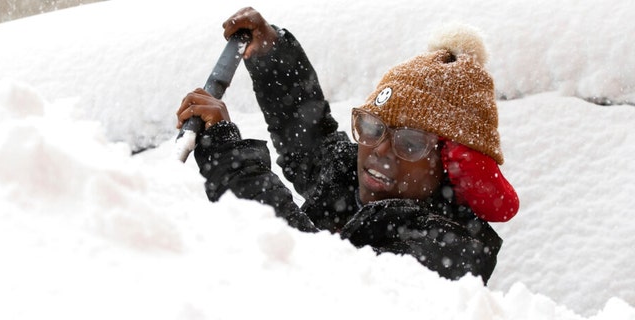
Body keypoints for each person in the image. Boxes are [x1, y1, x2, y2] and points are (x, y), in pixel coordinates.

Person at [175, 7, 519, 284]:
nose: (379, 150)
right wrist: (271, 55)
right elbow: (309, 138)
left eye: (410, 142)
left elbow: (317, 282)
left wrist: (232, 161)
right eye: (372, 126)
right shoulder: (353, 181)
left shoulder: (451, 252)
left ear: (452, 166)